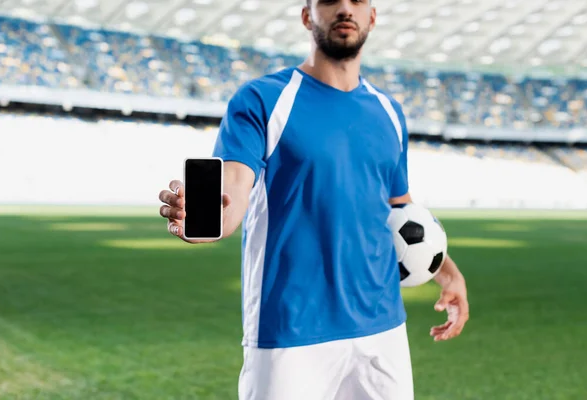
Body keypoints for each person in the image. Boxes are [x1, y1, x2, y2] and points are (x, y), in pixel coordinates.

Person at [159, 0, 469, 398]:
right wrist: (209, 220)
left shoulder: (388, 112)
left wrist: (447, 272)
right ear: (307, 16)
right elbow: (233, 188)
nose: (344, 7)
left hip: (383, 326)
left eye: (357, 1)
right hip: (292, 329)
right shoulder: (263, 99)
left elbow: (400, 210)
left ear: (371, 17)